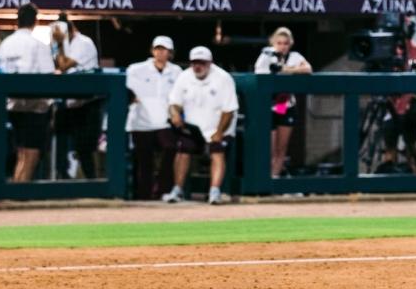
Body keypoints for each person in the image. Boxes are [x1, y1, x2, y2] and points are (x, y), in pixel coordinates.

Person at [162, 46, 238, 205]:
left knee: (217, 150)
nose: (198, 66)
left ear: (210, 63)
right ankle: (177, 190)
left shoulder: (223, 78)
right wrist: (175, 114)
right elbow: (174, 103)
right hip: (194, 127)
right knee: (183, 148)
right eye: (194, 63)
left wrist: (219, 132)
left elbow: (229, 110)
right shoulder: (184, 77)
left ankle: (214, 191)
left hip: (219, 127)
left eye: (201, 63)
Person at [0, 3, 56, 182]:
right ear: (35, 21)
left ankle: (16, 189)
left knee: (22, 153)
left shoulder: (5, 44)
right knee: (31, 154)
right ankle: (19, 195)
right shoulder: (38, 44)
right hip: (35, 107)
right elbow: (48, 75)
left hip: (12, 106)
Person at [126, 36, 181, 201]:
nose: (160, 52)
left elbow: (178, 96)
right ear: (152, 50)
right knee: (144, 159)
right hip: (141, 122)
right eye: (157, 49)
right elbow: (129, 91)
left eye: (163, 49)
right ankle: (144, 195)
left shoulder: (177, 71)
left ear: (170, 53)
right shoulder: (136, 69)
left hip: (164, 121)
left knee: (170, 148)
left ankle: (162, 190)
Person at [254, 27, 312, 179]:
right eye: (279, 43)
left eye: (286, 43)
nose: (282, 46)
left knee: (281, 147)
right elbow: (260, 73)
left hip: (283, 101)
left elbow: (308, 69)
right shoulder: (266, 55)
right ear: (273, 43)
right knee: (269, 147)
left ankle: (274, 177)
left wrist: (287, 69)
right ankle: (264, 177)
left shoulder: (294, 56)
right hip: (268, 103)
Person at [52, 18, 101, 180]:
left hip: (88, 103)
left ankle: (95, 186)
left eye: (62, 34)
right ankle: (61, 180)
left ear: (71, 29)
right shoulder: (66, 44)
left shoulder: (83, 42)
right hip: (71, 103)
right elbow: (60, 65)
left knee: (85, 149)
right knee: (61, 144)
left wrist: (59, 44)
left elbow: (64, 65)